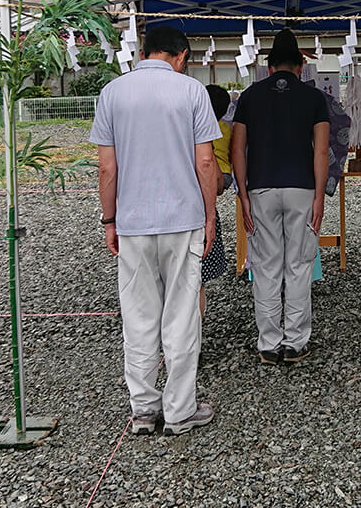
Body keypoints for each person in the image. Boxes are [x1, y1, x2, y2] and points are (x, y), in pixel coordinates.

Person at [91, 25, 220, 436]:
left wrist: (109, 219)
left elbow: (106, 168)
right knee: (181, 316)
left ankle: (143, 409)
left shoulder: (112, 93)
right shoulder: (191, 92)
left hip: (132, 222)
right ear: (181, 56)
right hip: (183, 220)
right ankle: (180, 411)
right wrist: (211, 215)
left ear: (144, 52)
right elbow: (205, 164)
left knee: (138, 316)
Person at [231, 28, 330, 365]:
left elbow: (238, 149)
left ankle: (269, 343)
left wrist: (242, 194)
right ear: (301, 66)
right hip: (302, 189)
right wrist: (319, 196)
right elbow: (320, 152)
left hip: (261, 189)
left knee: (267, 265)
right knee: (299, 265)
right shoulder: (315, 98)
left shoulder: (249, 97)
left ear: (269, 67)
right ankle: (295, 343)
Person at [200, 84, 234, 308]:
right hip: (224, 176)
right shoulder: (225, 128)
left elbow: (204, 161)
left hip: (209, 177)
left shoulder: (199, 128)